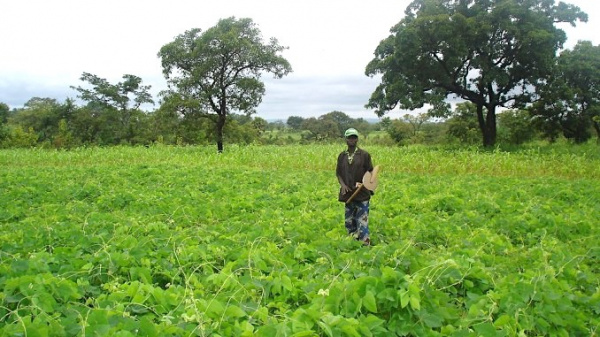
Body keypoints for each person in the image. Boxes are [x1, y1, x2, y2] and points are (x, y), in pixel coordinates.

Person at [336, 128, 374, 246]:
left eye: (354, 137)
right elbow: (338, 173)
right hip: (348, 194)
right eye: (349, 137)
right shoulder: (342, 156)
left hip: (362, 194)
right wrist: (342, 185)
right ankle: (352, 244)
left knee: (362, 221)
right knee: (349, 222)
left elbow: (371, 173)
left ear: (357, 139)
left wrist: (363, 182)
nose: (352, 140)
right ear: (346, 140)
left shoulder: (364, 155)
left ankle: (365, 245)